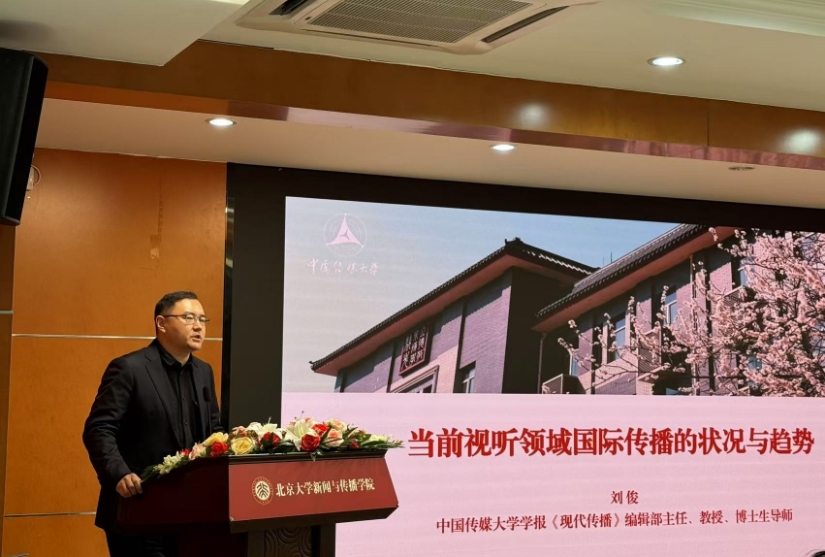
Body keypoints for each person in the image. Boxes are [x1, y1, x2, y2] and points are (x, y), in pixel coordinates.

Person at [83, 291, 223, 557]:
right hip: (138, 507)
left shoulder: (204, 372)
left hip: (191, 513)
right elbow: (99, 429)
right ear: (161, 323)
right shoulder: (129, 368)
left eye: (202, 319)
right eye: (189, 318)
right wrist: (119, 473)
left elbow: (213, 431)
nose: (198, 326)